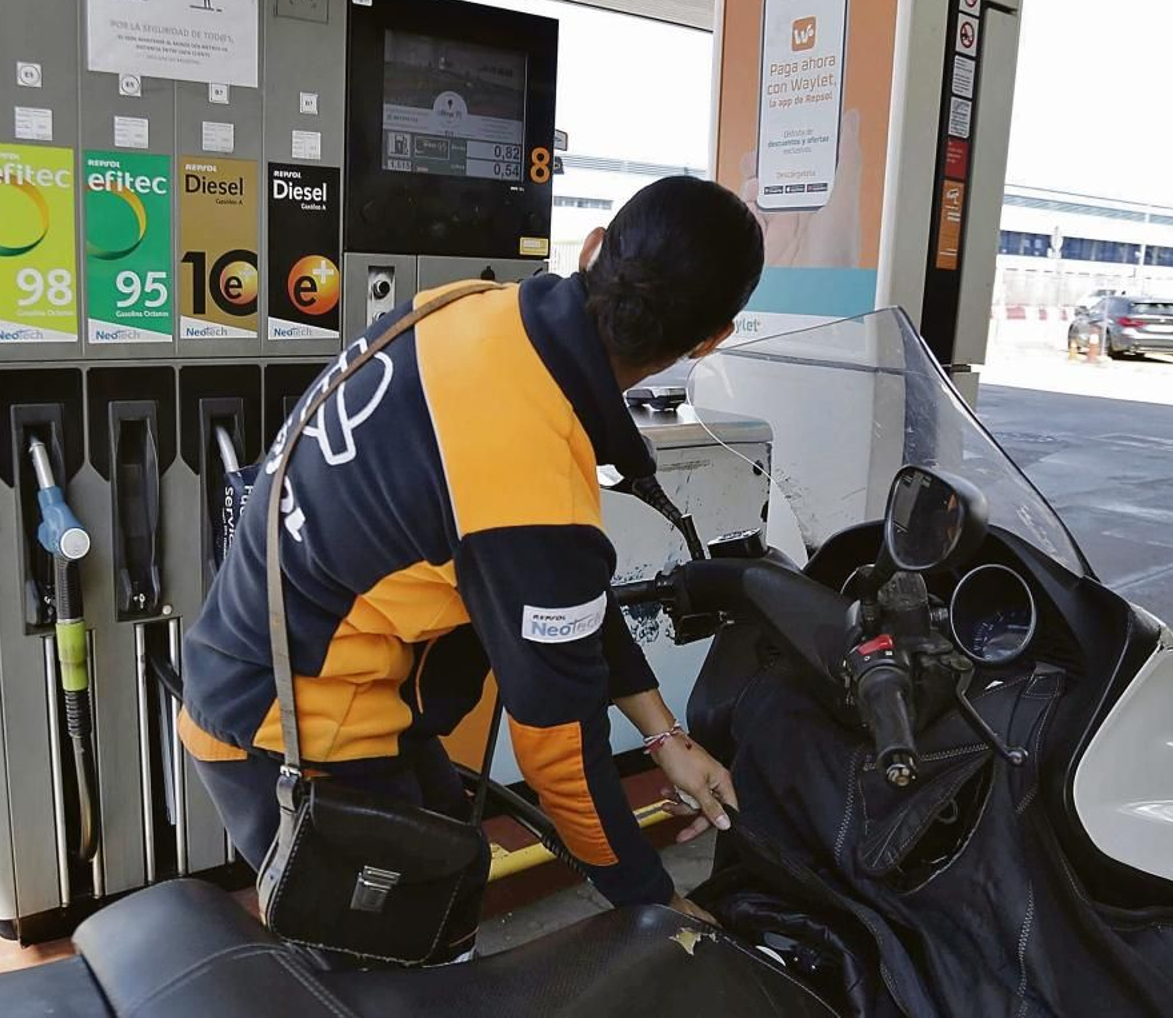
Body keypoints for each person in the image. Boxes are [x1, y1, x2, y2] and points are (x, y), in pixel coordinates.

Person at [180, 175, 766, 959]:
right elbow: (561, 755)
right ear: (712, 340)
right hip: (286, 724)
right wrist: (659, 902)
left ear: (592, 247)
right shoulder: (532, 489)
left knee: (445, 897)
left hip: (289, 664)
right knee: (398, 973)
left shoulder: (471, 307)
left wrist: (665, 739)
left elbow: (570, 602)